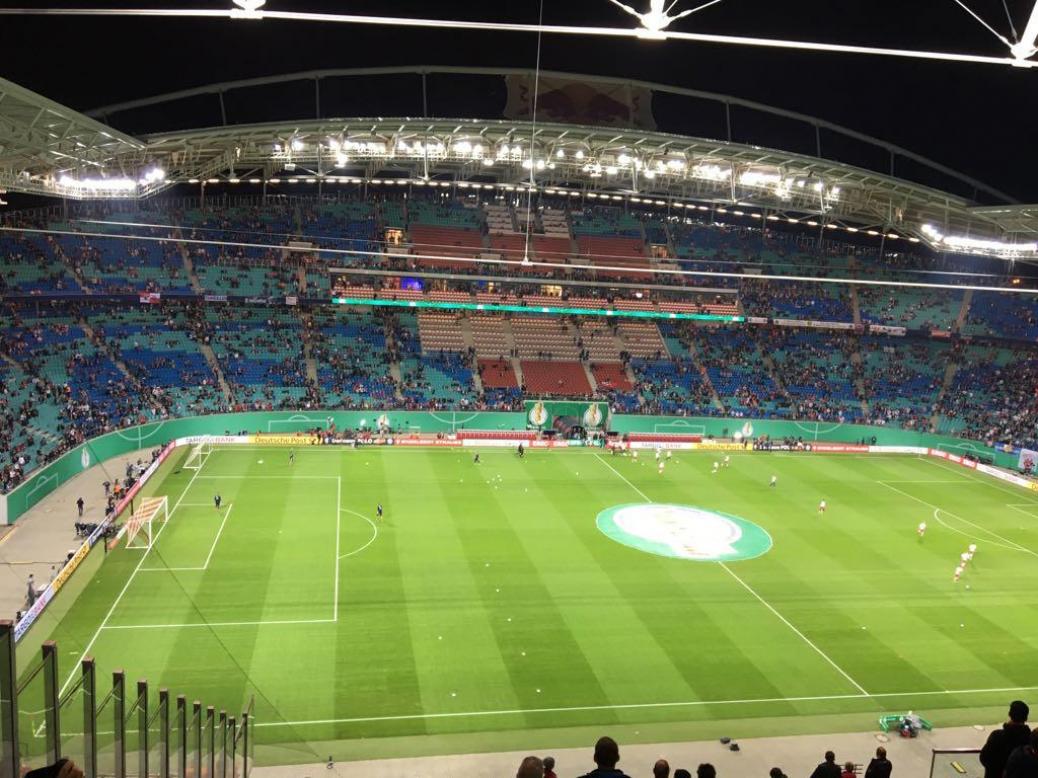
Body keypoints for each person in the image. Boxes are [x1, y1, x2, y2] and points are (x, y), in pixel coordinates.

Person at [980, 700, 1031, 778]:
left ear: (1009, 714)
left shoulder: (997, 736)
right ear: (1026, 718)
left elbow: (984, 758)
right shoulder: (1030, 739)